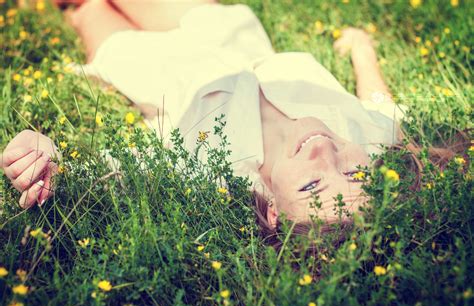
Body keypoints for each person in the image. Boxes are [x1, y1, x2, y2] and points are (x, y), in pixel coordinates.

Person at [1, 0, 434, 230]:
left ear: (274, 211)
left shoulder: (213, 170)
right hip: (226, 37)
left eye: (311, 183)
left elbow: (109, 170)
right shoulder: (373, 136)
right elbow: (382, 105)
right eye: (357, 177)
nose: (325, 153)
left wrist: (46, 159)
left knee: (88, 8)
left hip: (150, 65)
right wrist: (362, 48)